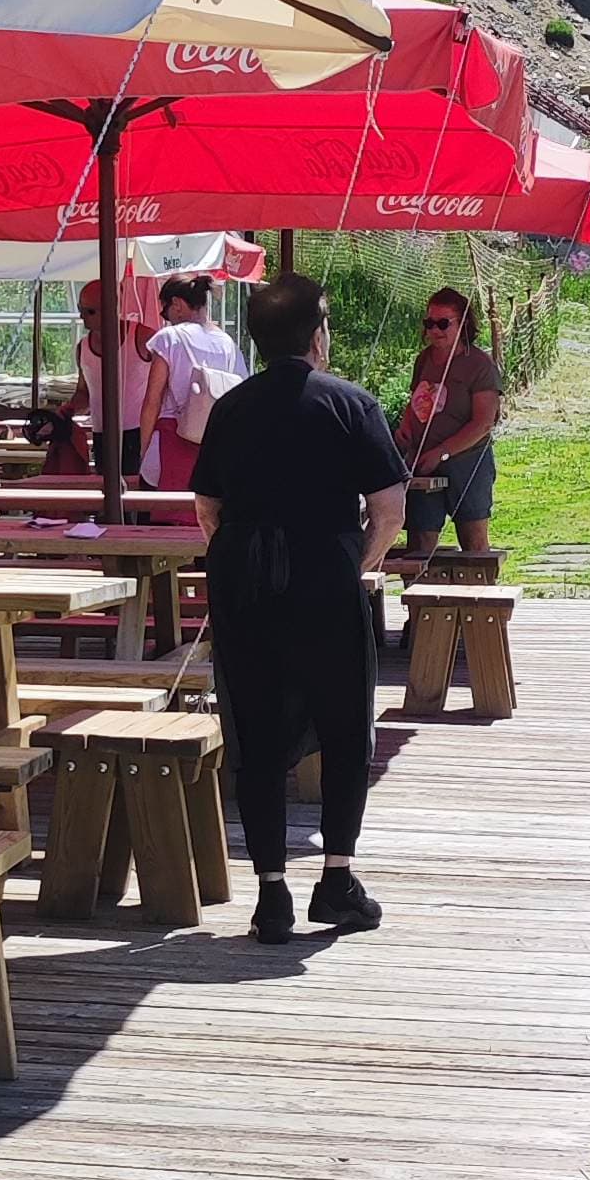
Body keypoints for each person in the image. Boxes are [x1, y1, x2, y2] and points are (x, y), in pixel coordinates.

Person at [190, 270, 408, 943]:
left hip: (244, 581)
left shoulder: (231, 408)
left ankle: (270, 894)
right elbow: (389, 509)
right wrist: (357, 564)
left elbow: (208, 511)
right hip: (324, 578)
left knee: (254, 736)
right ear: (318, 335)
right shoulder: (351, 403)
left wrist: (241, 565)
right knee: (345, 730)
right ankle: (337, 879)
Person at [394, 285, 505, 561]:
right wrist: (406, 426)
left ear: (463, 325)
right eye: (429, 323)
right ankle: (423, 601)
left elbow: (483, 423)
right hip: (423, 460)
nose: (435, 330)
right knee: (420, 541)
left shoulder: (479, 365)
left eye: (443, 323)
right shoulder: (424, 360)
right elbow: (417, 398)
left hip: (467, 461)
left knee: (473, 541)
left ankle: (478, 601)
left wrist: (442, 452)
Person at [143, 274, 242, 491]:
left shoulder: (168, 338)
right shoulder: (227, 343)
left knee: (165, 513)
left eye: (165, 310)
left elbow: (153, 400)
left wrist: (141, 450)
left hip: (173, 436)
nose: (165, 317)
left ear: (177, 304)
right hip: (214, 441)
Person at [63, 279, 153, 485]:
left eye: (90, 311)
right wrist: (66, 411)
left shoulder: (142, 338)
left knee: (139, 497)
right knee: (105, 491)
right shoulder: (83, 347)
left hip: (138, 433)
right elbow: (84, 393)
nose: (82, 317)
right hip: (102, 434)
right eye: (81, 310)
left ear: (111, 307)